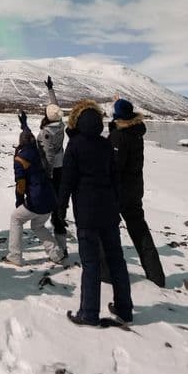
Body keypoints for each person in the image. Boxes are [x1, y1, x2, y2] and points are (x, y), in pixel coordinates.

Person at [58, 100, 133, 327]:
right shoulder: (105, 144)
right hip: (109, 210)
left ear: (77, 121)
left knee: (90, 264)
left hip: (87, 214)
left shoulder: (75, 145)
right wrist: (116, 205)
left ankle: (89, 313)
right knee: (116, 260)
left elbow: (67, 181)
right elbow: (115, 179)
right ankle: (125, 309)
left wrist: (60, 210)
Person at [108, 97, 165, 287]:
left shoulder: (120, 136)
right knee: (140, 232)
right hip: (135, 188)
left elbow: (114, 166)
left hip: (119, 192)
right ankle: (156, 276)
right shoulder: (136, 132)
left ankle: (109, 273)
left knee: (109, 232)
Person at [0, 112, 64, 268]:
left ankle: (15, 256)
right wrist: (24, 124)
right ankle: (56, 253)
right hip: (50, 198)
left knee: (16, 219)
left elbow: (20, 184)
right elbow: (29, 135)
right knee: (38, 225)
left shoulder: (20, 158)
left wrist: (20, 201)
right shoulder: (37, 148)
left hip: (37, 199)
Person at [37, 76, 67, 256]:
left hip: (52, 169)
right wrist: (51, 90)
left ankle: (58, 245)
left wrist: (46, 175)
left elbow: (48, 155)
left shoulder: (47, 132)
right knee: (58, 206)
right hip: (61, 165)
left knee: (53, 206)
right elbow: (56, 109)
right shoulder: (60, 124)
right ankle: (61, 241)